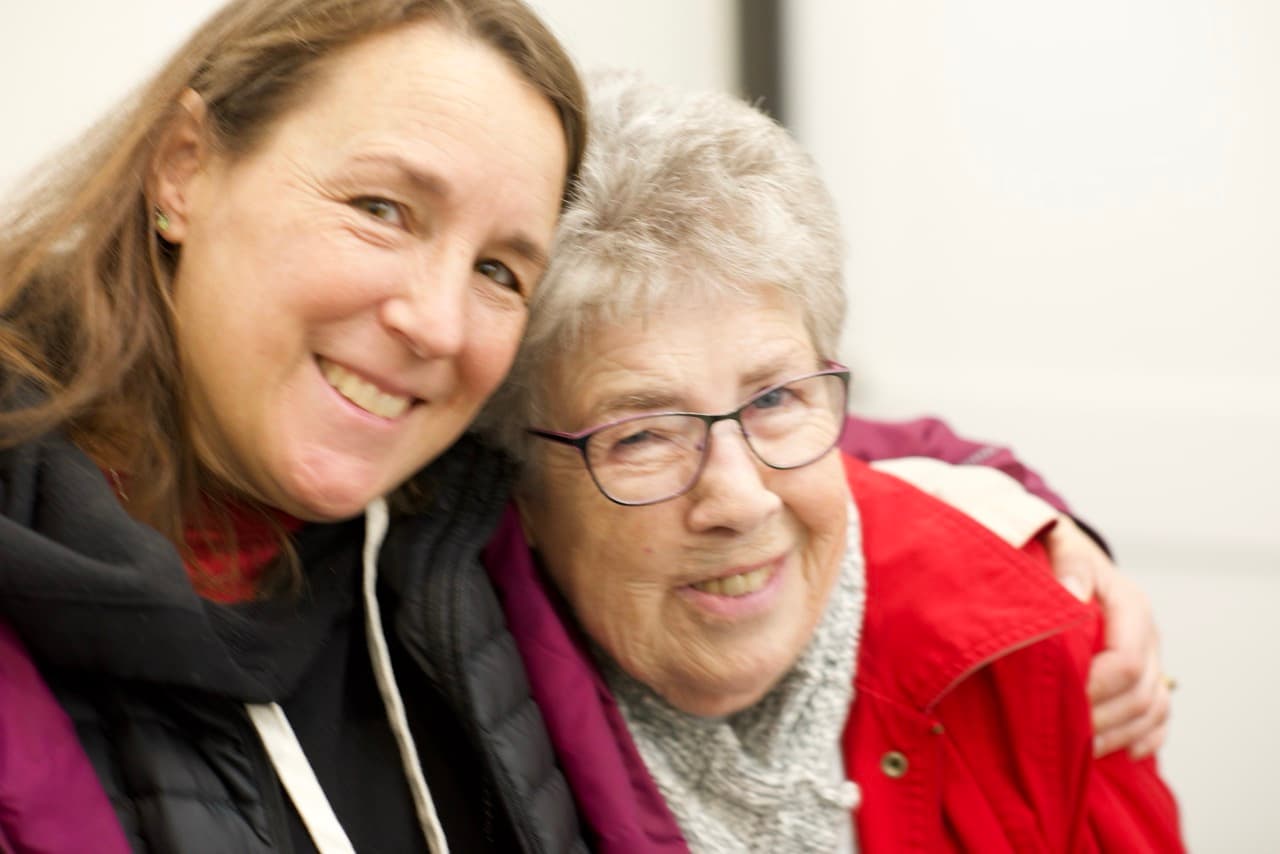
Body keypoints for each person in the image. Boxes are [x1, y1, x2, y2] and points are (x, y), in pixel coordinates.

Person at [0, 3, 1164, 853]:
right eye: (378, 207)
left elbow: (737, 409)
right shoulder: (444, 512)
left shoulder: (417, 500)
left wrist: (1018, 508)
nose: (434, 319)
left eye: (501, 267)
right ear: (184, 168)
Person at [477, 71, 1185, 852]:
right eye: (642, 434)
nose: (741, 500)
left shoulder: (1032, 645)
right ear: (522, 488)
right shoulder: (435, 729)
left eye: (774, 400)